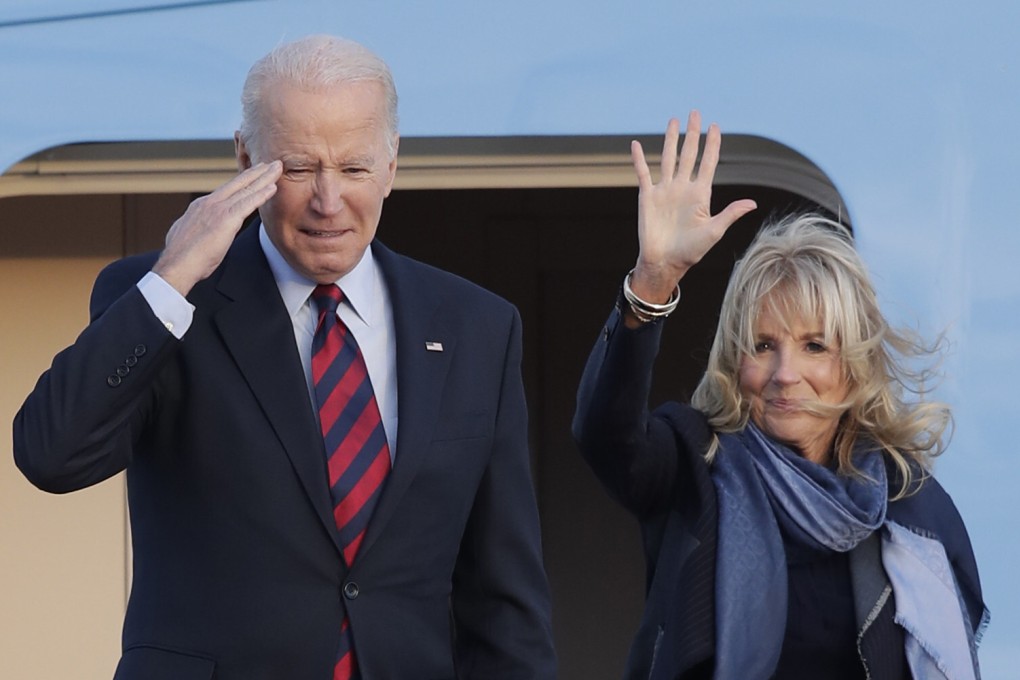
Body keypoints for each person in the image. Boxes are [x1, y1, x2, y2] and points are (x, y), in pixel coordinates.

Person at [14, 35, 555, 680]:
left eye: (354, 168)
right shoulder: (164, 300)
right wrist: (174, 276)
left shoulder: (477, 326)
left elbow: (506, 600)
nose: (328, 202)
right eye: (298, 169)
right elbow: (52, 455)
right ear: (245, 157)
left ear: (392, 162)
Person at [573, 111, 988, 679]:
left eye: (815, 346)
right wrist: (653, 280)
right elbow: (605, 436)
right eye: (764, 345)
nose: (784, 373)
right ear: (735, 359)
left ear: (855, 364)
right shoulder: (693, 467)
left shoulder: (908, 500)